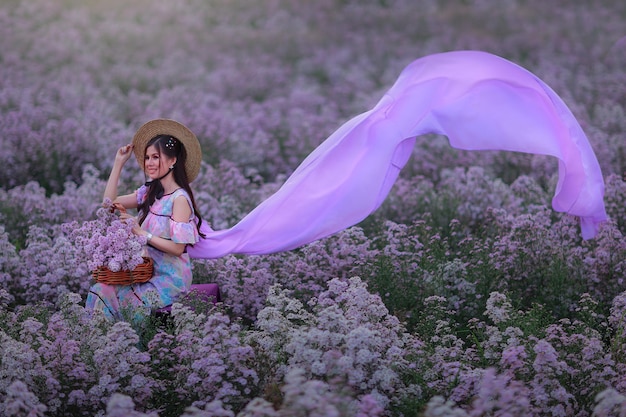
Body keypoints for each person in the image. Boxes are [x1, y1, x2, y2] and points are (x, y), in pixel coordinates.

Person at [85, 119, 205, 320]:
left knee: (127, 304)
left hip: (169, 280)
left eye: (156, 157)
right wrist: (118, 163)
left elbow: (178, 249)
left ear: (173, 160)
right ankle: (101, 344)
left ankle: (129, 348)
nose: (149, 163)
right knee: (100, 289)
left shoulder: (179, 199)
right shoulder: (151, 192)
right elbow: (108, 203)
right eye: (147, 157)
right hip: (146, 274)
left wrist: (141, 232)